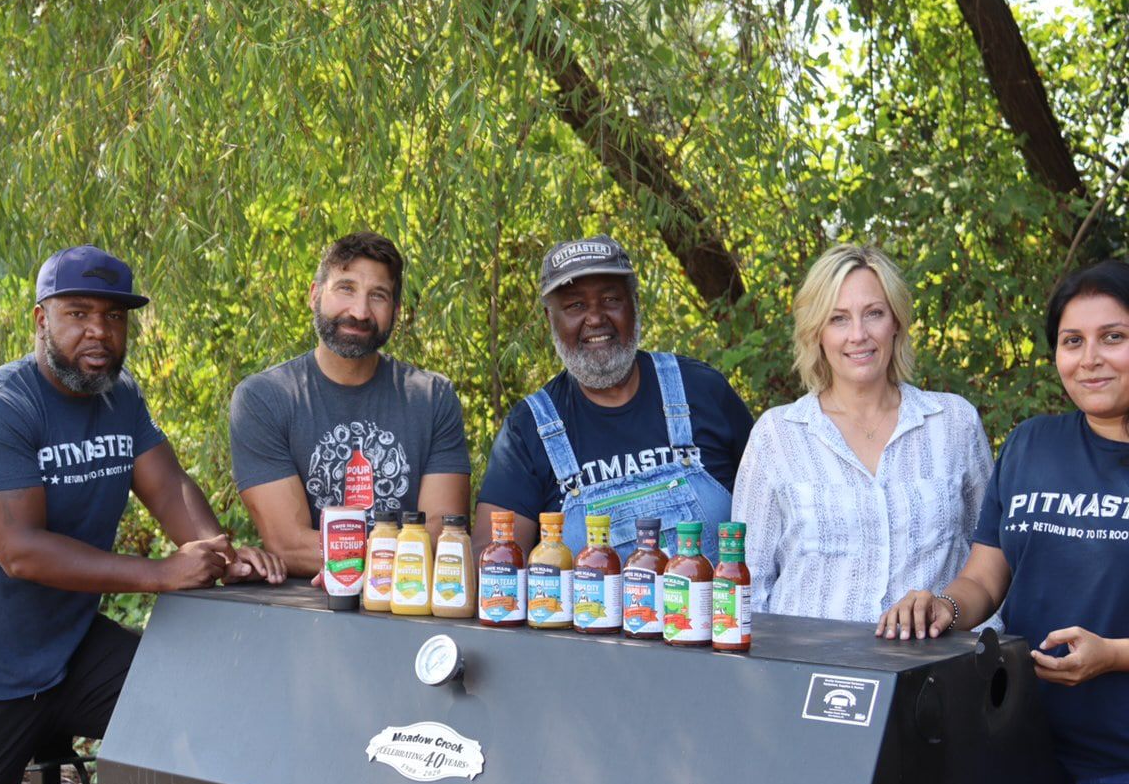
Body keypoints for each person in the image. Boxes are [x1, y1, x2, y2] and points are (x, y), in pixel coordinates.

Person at [0, 244, 281, 784]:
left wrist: (216, 550)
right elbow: (20, 550)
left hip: (70, 652)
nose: (98, 333)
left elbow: (167, 487)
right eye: (78, 313)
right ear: (40, 319)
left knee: (201, 711)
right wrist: (161, 572)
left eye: (114, 318)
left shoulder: (120, 400)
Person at [879, 259, 1129, 784]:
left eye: (1114, 337)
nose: (1091, 358)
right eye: (1072, 342)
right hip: (1033, 762)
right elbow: (986, 576)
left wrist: (1115, 656)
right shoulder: (1030, 445)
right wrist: (945, 607)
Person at [731, 245, 992, 623]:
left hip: (932, 670)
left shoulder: (954, 423)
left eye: (874, 314)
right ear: (815, 331)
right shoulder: (777, 435)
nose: (858, 334)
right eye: (838, 319)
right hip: (805, 669)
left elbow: (990, 561)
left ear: (896, 323)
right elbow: (748, 584)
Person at [475, 234, 752, 562]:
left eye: (610, 299)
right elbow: (493, 568)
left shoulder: (703, 390)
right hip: (589, 614)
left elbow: (773, 515)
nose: (595, 318)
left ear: (635, 304)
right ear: (550, 320)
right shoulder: (527, 430)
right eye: (576, 305)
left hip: (716, 613)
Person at [230, 231, 470, 574]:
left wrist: (347, 559)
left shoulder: (432, 398)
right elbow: (288, 543)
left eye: (378, 296)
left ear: (396, 312)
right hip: (306, 609)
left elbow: (441, 534)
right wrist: (390, 555)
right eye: (346, 288)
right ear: (314, 295)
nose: (359, 311)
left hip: (407, 602)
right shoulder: (264, 399)